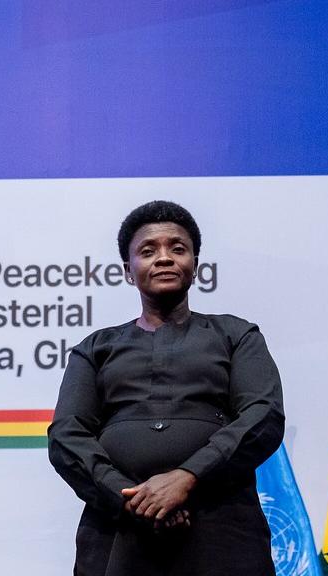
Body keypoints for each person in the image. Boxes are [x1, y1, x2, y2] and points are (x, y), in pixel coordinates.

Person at [48, 200, 284, 575]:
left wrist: (186, 477)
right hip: (117, 531)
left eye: (178, 248)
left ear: (196, 265)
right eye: (148, 250)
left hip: (221, 527)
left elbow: (264, 415)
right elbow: (66, 437)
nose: (164, 258)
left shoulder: (236, 335)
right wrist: (131, 499)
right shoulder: (94, 348)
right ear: (129, 271)